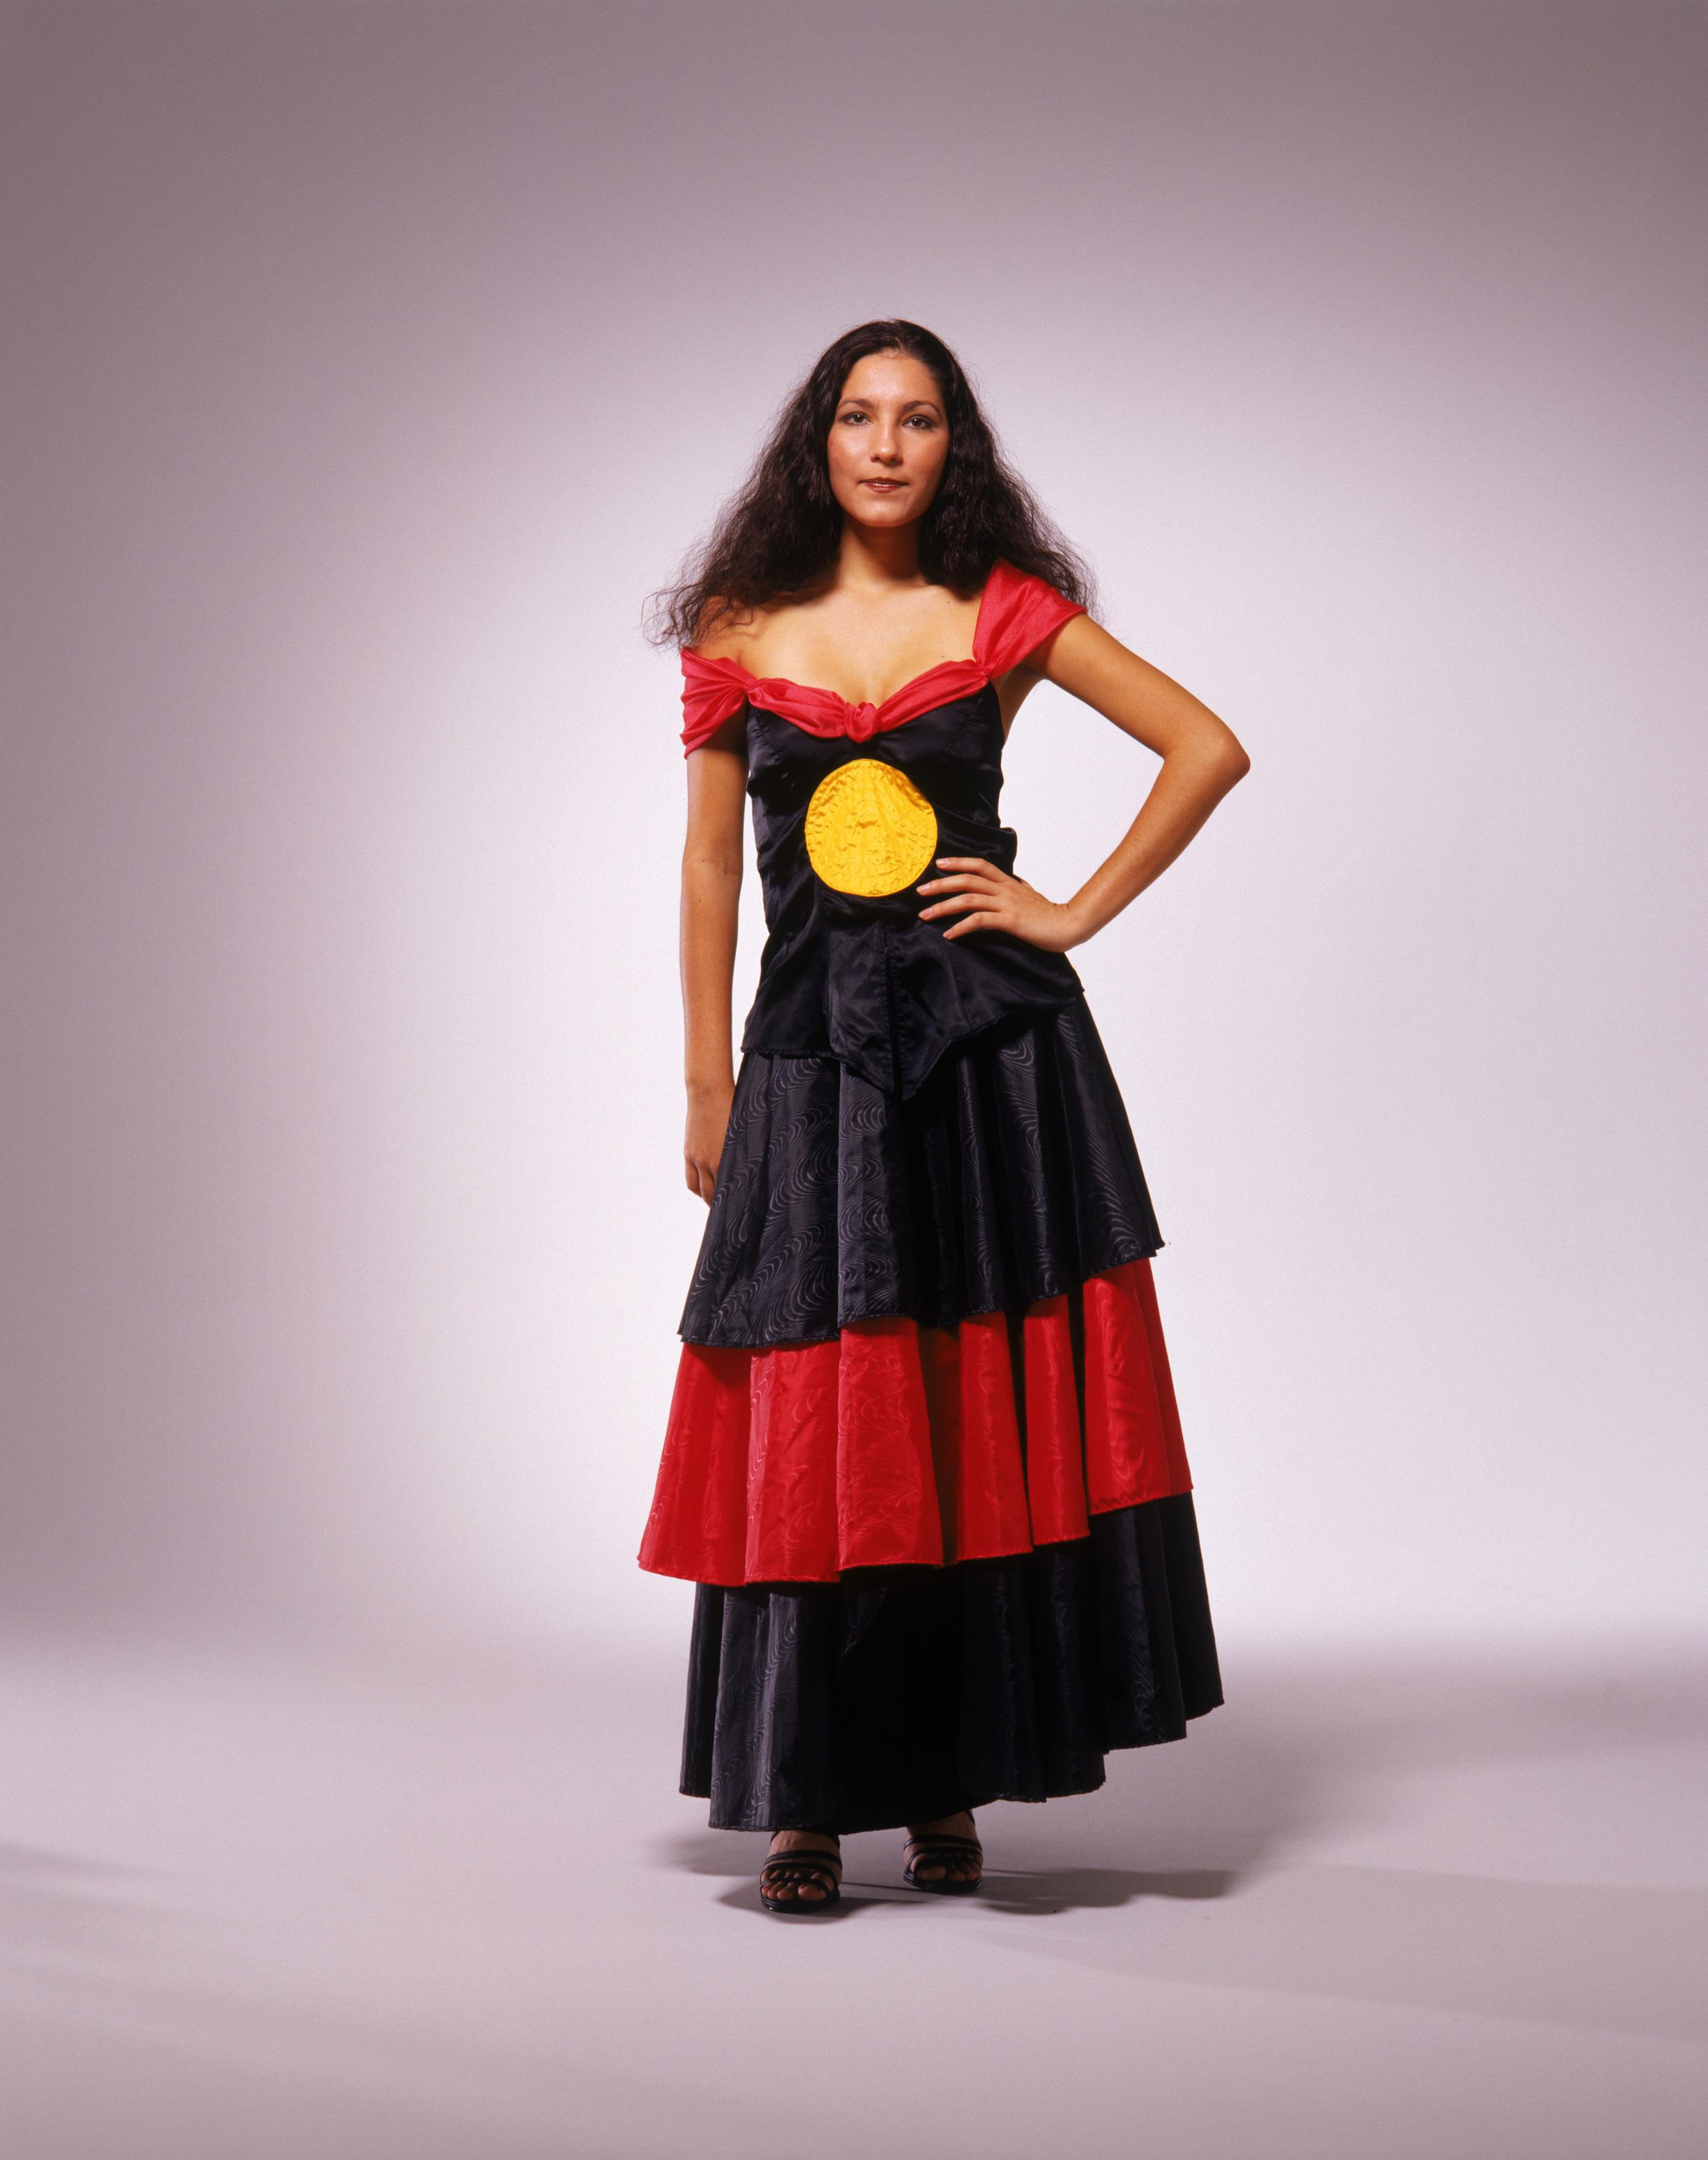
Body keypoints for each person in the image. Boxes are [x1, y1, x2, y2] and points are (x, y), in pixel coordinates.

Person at [638, 320, 1250, 1914]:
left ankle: (944, 1782)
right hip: (806, 1063)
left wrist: (1067, 909)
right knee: (816, 1418)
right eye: (859, 416)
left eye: (917, 419)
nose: (886, 445)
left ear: (950, 445)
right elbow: (707, 862)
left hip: (989, 1059)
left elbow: (1205, 746)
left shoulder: (998, 611)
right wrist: (704, 1077)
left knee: (960, 1412)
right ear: (818, 441)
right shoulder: (737, 622)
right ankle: (803, 1799)